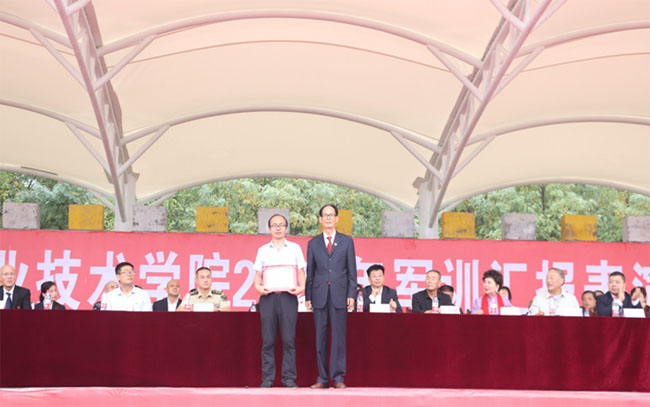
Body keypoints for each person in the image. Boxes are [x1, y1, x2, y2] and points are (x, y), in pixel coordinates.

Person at [305, 204, 357, 389]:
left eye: (331, 215)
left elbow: (352, 270)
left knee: (338, 337)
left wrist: (352, 293)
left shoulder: (346, 241)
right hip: (319, 295)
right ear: (320, 219)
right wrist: (308, 296)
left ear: (336, 218)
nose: (328, 218)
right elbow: (310, 272)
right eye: (325, 215)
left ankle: (338, 377)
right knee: (320, 337)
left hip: (340, 294)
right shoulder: (313, 243)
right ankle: (322, 378)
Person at [253, 214, 306, 388]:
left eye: (281, 225)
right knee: (268, 340)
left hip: (288, 297)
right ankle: (267, 378)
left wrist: (301, 287)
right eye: (274, 225)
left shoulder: (295, 248)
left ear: (286, 228)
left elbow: (301, 272)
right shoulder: (262, 250)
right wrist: (258, 288)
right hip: (268, 298)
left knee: (288, 340)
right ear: (269, 228)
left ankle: (288, 378)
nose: (278, 228)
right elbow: (258, 275)